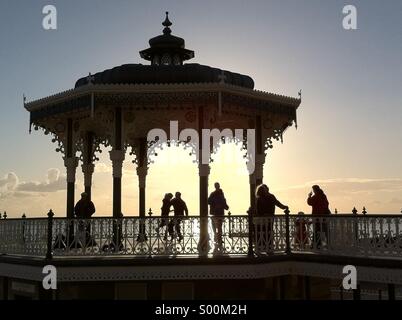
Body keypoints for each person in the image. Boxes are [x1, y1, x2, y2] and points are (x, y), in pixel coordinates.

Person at [255, 184, 288, 253]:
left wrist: (262, 215)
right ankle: (269, 246)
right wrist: (284, 207)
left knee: (263, 232)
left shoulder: (260, 198)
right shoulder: (270, 197)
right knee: (269, 231)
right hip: (270, 217)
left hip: (263, 218)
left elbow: (258, 210)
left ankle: (263, 247)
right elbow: (277, 203)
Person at [208, 182, 229, 250]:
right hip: (218, 213)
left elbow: (208, 201)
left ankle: (217, 238)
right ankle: (218, 238)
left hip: (215, 213)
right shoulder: (220, 194)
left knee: (216, 227)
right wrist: (225, 206)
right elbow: (224, 203)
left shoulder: (214, 194)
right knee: (219, 227)